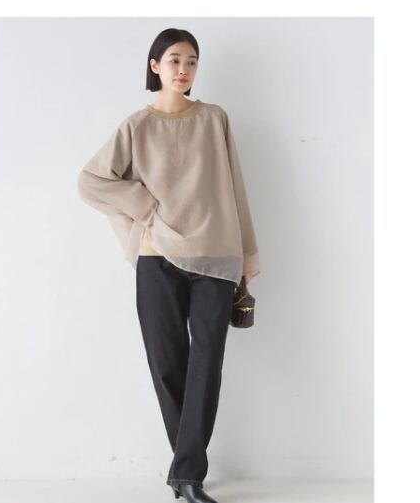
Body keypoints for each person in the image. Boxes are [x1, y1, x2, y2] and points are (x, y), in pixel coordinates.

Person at [77, 28, 260, 503]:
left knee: (207, 363)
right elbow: (91, 181)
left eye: (192, 61)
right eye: (175, 60)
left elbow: (236, 186)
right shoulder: (136, 126)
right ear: (155, 66)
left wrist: (248, 253)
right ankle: (187, 471)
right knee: (167, 365)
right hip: (157, 257)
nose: (184, 69)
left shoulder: (215, 119)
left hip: (216, 257)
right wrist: (144, 205)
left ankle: (187, 476)